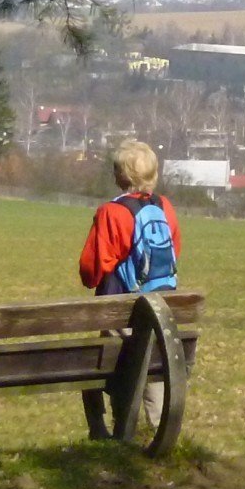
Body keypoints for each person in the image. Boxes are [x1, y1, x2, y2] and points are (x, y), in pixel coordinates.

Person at [77, 138, 180, 438]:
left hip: (120, 308)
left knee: (105, 362)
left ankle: (109, 431)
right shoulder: (166, 208)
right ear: (153, 175)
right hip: (161, 309)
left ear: (119, 176)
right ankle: (159, 430)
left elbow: (91, 272)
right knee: (152, 364)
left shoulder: (112, 212)